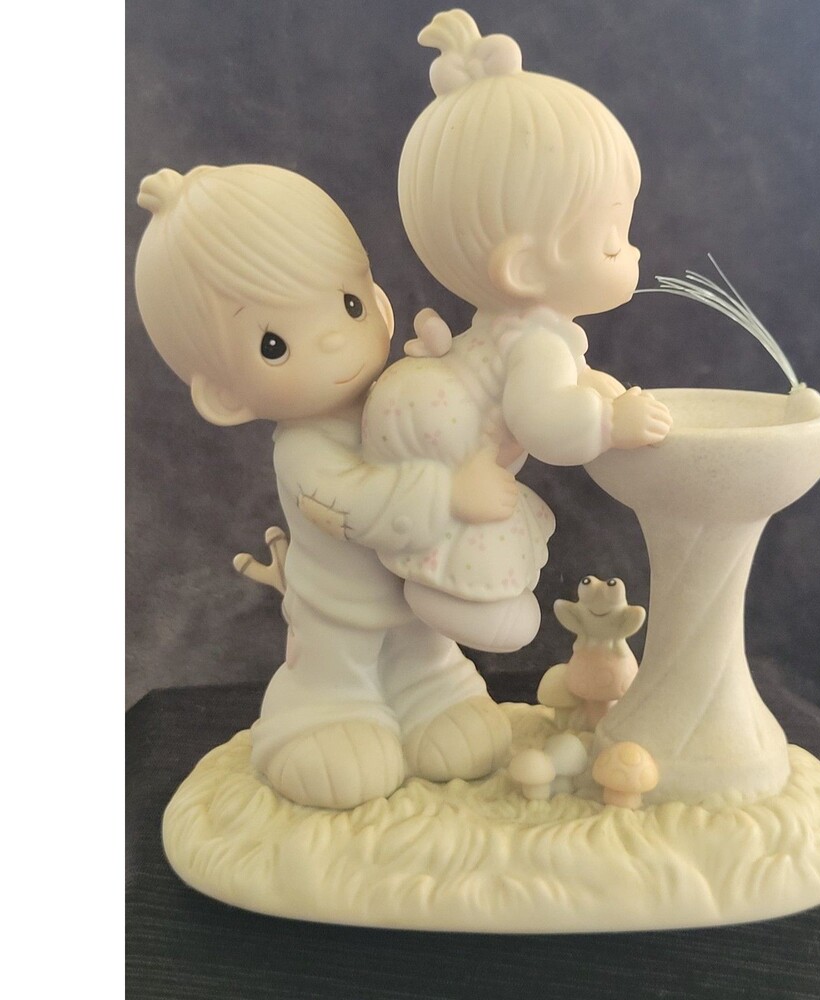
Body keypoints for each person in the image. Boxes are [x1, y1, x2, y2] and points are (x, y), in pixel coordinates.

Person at [135, 163, 514, 810]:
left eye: (349, 304)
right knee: (339, 681)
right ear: (224, 393)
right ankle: (323, 717)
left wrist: (465, 404)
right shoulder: (302, 451)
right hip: (340, 615)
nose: (337, 338)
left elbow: (458, 437)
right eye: (274, 344)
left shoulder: (398, 390)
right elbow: (353, 504)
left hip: (420, 603)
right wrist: (447, 495)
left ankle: (432, 695)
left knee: (436, 674)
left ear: (379, 301)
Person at [310, 10, 671, 654]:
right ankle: (432, 590)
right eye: (615, 240)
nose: (633, 251)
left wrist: (601, 390)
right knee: (513, 625)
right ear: (526, 269)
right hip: (457, 458)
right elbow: (544, 422)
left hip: (443, 433)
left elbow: (568, 382)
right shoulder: (535, 344)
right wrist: (611, 424)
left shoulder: (525, 331)